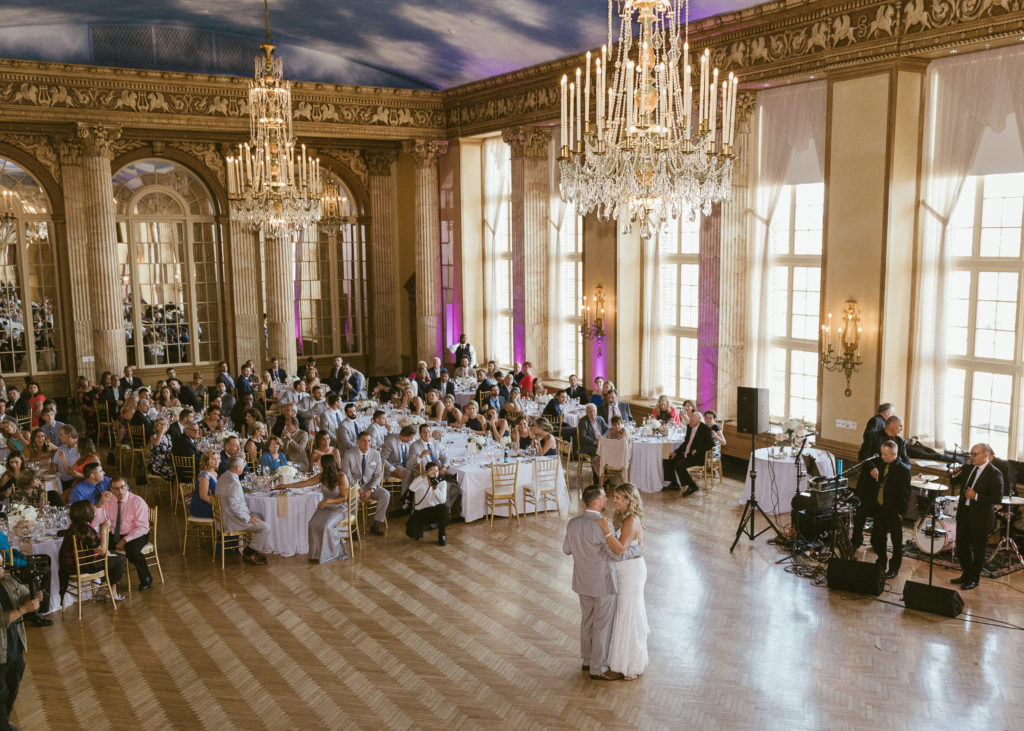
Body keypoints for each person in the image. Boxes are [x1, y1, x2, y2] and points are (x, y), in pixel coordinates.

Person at [562, 484, 643, 682]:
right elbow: (615, 554)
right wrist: (636, 551)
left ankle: (587, 660)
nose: (608, 500)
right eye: (605, 497)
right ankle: (598, 669)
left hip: (582, 582)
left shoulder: (573, 523)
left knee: (587, 620)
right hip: (603, 583)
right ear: (597, 501)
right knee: (602, 624)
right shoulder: (603, 524)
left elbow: (566, 549)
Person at [597, 483, 649, 680]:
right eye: (614, 496)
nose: (614, 500)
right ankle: (621, 660)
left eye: (618, 497)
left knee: (628, 613)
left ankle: (629, 665)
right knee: (623, 612)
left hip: (631, 573)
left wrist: (606, 531)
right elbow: (639, 545)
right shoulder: (622, 517)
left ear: (628, 499)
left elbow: (619, 549)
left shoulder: (631, 520)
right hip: (624, 570)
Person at [852, 415, 912, 548]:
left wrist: (900, 470)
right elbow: (863, 455)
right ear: (891, 424)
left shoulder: (900, 441)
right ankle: (856, 540)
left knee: (880, 518)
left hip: (886, 488)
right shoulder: (872, 436)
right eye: (900, 425)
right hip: (869, 483)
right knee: (862, 513)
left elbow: (906, 461)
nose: (901, 428)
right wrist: (872, 468)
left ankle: (876, 542)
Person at [949, 443, 1004, 590]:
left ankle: (974, 579)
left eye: (975, 454)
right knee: (961, 547)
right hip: (964, 513)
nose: (971, 457)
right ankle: (966, 573)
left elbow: (997, 498)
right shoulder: (968, 467)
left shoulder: (994, 473)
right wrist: (953, 474)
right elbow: (954, 482)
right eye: (971, 454)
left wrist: (976, 496)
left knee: (979, 550)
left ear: (985, 455)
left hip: (981, 517)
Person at [0, 556, 44, 728]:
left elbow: (24, 596)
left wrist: (36, 596)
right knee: (1, 694)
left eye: (2, 564)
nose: (3, 568)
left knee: (12, 689)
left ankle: (5, 721)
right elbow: (2, 619)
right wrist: (24, 609)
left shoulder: (8, 580)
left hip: (15, 647)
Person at [92, 477, 154, 591]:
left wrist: (125, 540)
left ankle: (146, 578)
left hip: (137, 533)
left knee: (133, 552)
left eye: (122, 487)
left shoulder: (137, 501)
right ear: (111, 489)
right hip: (116, 534)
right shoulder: (108, 501)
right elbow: (95, 522)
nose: (120, 491)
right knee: (101, 548)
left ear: (127, 487)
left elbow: (142, 527)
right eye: (116, 489)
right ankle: (108, 582)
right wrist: (100, 504)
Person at [58, 499, 125, 603]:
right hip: (81, 566)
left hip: (70, 564)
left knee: (113, 556)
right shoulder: (84, 529)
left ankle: (103, 588)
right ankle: (112, 592)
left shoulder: (76, 526)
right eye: (93, 510)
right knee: (119, 559)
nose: (94, 512)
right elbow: (102, 550)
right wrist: (103, 530)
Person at [866, 441, 912, 579]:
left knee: (896, 542)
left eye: (885, 454)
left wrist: (900, 513)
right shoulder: (881, 464)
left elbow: (905, 494)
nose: (881, 456)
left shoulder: (903, 470)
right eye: (881, 453)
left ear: (894, 454)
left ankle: (894, 568)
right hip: (880, 509)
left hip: (894, 511)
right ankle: (881, 562)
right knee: (879, 538)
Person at [216, 456, 271, 565]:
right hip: (231, 520)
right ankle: (249, 552)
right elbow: (234, 507)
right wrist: (248, 518)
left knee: (260, 516)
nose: (244, 466)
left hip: (224, 516)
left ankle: (254, 549)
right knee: (265, 527)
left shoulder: (224, 476)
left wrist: (247, 511)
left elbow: (233, 503)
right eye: (243, 464)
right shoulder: (233, 483)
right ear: (237, 468)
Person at [307, 455, 354, 563]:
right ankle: (315, 555)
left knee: (326, 526)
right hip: (326, 507)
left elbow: (344, 498)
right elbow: (305, 483)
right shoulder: (322, 476)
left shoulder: (342, 477)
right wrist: (286, 485)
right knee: (312, 524)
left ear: (326, 465)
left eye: (320, 464)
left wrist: (328, 501)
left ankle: (331, 554)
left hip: (339, 508)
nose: (318, 465)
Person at [0, 528, 51, 626]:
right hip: (12, 564)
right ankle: (41, 610)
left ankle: (37, 602)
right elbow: (7, 556)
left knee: (45, 561)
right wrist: (26, 561)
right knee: (45, 565)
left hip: (11, 561)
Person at [341, 433, 389, 536]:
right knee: (354, 497)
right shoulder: (349, 454)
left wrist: (371, 490)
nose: (367, 443)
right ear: (358, 442)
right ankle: (353, 526)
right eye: (364, 441)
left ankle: (376, 524)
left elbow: (378, 475)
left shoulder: (376, 454)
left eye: (369, 441)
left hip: (369, 485)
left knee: (385, 494)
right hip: (354, 485)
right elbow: (346, 474)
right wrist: (359, 489)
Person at [666, 410, 714, 496]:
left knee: (679, 465)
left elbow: (711, 443)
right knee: (669, 458)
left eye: (692, 421)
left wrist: (698, 450)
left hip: (697, 457)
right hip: (687, 454)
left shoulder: (705, 429)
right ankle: (674, 483)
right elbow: (686, 443)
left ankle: (692, 485)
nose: (690, 422)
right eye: (690, 420)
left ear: (698, 421)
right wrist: (676, 452)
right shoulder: (690, 427)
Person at [405, 462, 449, 545]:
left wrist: (434, 487)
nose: (435, 473)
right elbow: (411, 488)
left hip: (433, 511)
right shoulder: (421, 480)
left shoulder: (442, 482)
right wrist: (425, 476)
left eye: (436, 471)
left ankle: (442, 536)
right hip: (420, 512)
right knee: (411, 533)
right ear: (427, 472)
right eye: (432, 471)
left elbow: (443, 501)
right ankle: (422, 527)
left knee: (444, 508)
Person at [190, 451, 220, 519]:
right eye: (213, 459)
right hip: (201, 507)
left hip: (210, 503)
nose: (216, 461)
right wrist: (217, 505)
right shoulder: (204, 475)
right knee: (228, 512)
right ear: (207, 461)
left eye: (217, 458)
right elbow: (203, 496)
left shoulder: (215, 473)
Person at [578, 403, 608, 468]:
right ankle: (597, 475)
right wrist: (594, 442)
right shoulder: (583, 421)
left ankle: (606, 470)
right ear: (586, 412)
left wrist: (604, 436)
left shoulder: (600, 419)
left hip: (601, 442)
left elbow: (607, 429)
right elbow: (582, 436)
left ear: (596, 411)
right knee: (596, 452)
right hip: (588, 445)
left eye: (594, 411)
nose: (592, 413)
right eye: (590, 411)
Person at [147, 417, 175, 482]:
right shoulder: (153, 436)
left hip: (167, 463)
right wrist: (161, 431)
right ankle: (172, 491)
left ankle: (175, 491)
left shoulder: (168, 436)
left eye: (166, 424)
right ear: (156, 427)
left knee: (179, 470)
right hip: (156, 465)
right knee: (174, 472)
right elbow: (156, 443)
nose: (164, 426)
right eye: (161, 424)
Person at [55, 424, 80, 496]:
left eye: (61, 434)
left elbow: (71, 472)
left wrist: (63, 458)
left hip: (75, 483)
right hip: (61, 482)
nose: (59, 437)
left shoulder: (80, 448)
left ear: (69, 435)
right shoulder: (62, 447)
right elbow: (54, 463)